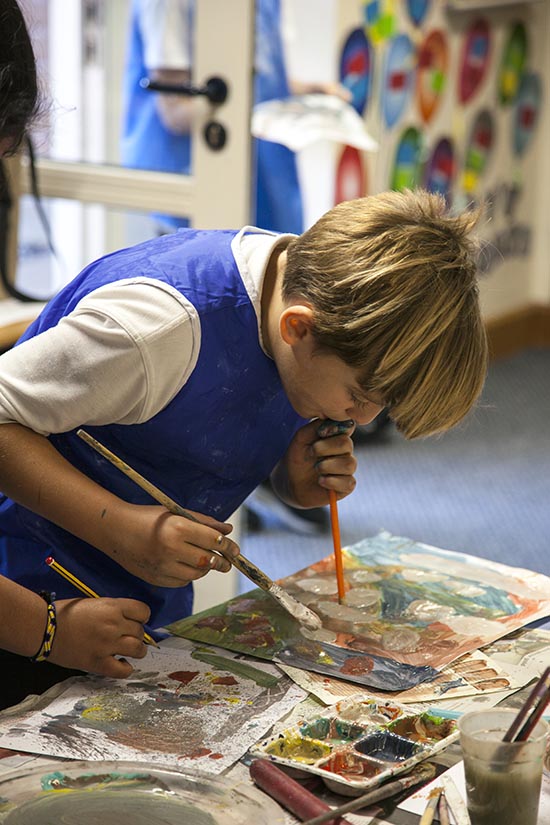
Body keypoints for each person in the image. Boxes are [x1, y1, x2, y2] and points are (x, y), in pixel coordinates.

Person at [0, 186, 488, 710]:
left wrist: (286, 474)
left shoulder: (312, 287)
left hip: (131, 607)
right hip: (27, 600)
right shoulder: (155, 332)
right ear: (298, 328)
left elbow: (211, 421)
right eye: (359, 396)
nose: (364, 420)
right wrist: (115, 526)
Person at [121, 0, 350, 532]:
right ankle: (238, 487)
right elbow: (177, 108)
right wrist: (247, 101)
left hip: (259, 180)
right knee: (215, 356)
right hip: (196, 179)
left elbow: (269, 72)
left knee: (268, 349)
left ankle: (263, 481)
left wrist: (310, 97)